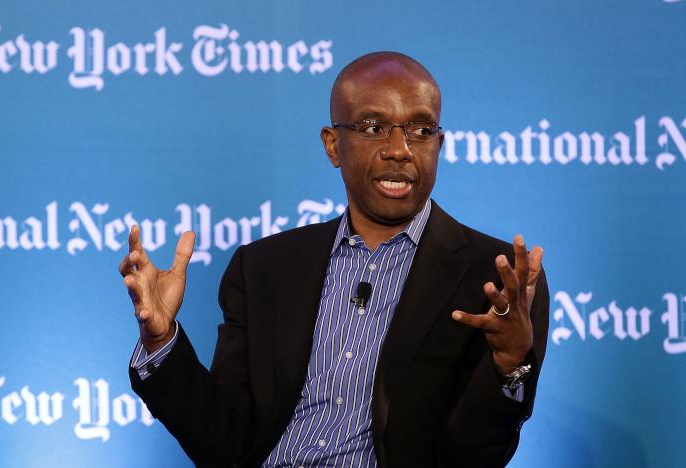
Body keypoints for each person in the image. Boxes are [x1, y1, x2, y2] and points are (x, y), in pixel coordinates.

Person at [118, 51, 549, 468]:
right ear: (332, 145)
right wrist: (161, 341)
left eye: (420, 130)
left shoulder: (496, 276)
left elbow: (473, 457)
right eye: (373, 127)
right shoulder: (264, 268)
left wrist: (509, 367)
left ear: (439, 144)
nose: (399, 149)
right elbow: (225, 443)